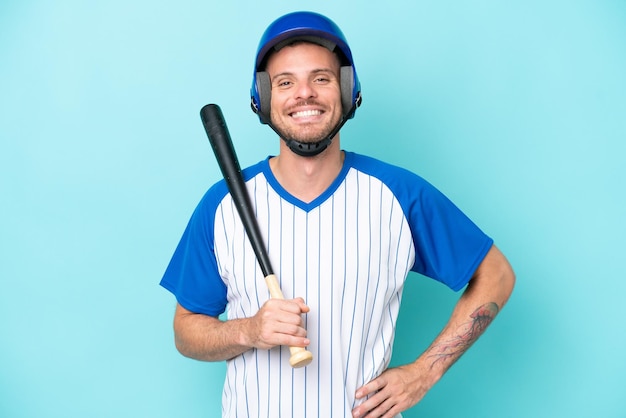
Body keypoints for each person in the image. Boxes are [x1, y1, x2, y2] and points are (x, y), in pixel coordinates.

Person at [160, 11, 515, 418]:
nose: (304, 94)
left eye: (322, 79)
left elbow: (497, 275)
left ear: (347, 92)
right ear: (263, 97)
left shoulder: (398, 195)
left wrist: (424, 372)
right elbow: (186, 330)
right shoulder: (222, 204)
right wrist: (249, 330)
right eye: (285, 82)